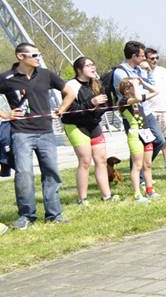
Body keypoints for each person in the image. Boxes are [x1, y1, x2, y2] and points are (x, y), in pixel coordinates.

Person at [0, 43, 71, 229]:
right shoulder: (6, 78)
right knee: (24, 174)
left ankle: (54, 214)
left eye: (39, 54)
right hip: (21, 133)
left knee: (51, 172)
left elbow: (69, 92)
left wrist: (61, 110)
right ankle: (26, 216)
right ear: (20, 57)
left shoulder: (46, 75)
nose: (38, 57)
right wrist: (6, 115)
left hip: (46, 132)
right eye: (34, 55)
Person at [59, 56, 120, 205]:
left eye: (93, 64)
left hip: (93, 125)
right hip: (75, 125)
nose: (93, 67)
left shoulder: (97, 84)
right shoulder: (71, 85)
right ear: (79, 69)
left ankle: (107, 195)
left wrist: (102, 107)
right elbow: (71, 111)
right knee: (85, 161)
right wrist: (91, 103)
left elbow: (103, 107)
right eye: (88, 65)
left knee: (101, 160)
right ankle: (82, 199)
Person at [113, 41, 165, 162]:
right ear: (134, 56)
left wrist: (149, 71)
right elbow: (133, 94)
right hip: (132, 114)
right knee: (138, 145)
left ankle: (144, 166)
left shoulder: (140, 69)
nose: (144, 58)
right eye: (142, 56)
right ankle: (139, 175)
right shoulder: (120, 72)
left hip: (145, 110)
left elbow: (152, 85)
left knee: (159, 140)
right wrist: (140, 87)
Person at [117, 76, 158, 203]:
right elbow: (139, 97)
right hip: (135, 136)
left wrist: (142, 82)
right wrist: (134, 84)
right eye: (132, 86)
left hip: (145, 133)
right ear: (126, 89)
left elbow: (156, 91)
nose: (136, 88)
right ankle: (137, 194)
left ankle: (149, 190)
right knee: (137, 165)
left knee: (148, 164)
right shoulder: (124, 101)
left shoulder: (138, 100)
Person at [144, 48, 166, 168]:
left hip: (165, 108)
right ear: (146, 59)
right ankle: (147, 163)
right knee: (152, 139)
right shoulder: (142, 72)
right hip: (150, 110)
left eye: (157, 58)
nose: (155, 60)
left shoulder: (163, 71)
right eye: (152, 58)